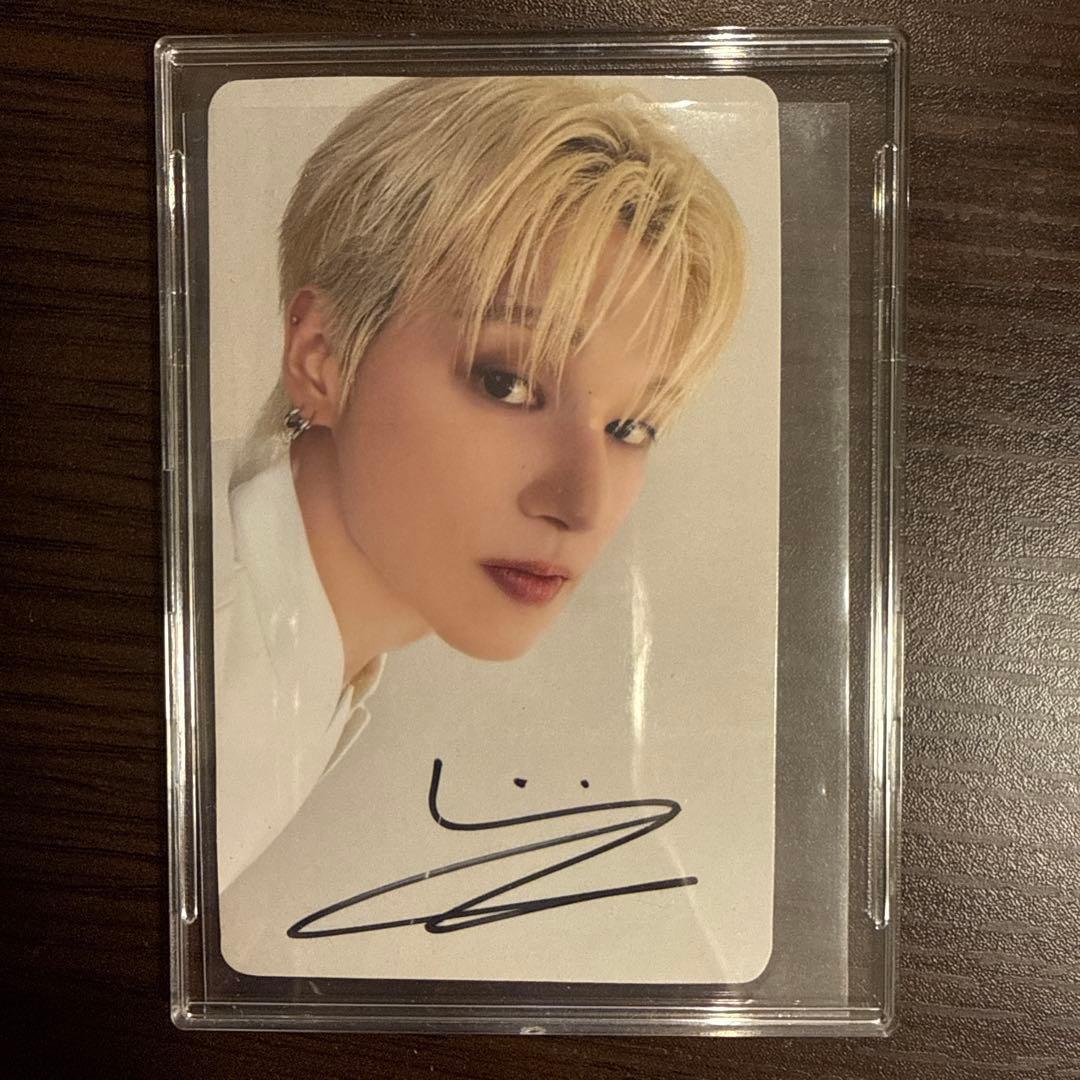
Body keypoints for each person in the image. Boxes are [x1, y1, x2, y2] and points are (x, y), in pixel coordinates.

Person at [213, 75, 746, 893]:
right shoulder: (202, 670)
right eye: (508, 383)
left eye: (633, 427)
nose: (581, 504)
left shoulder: (295, 661)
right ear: (321, 355)